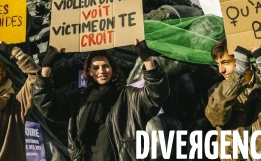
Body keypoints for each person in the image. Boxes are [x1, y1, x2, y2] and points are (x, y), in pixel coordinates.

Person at [32, 40, 169, 161]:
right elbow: (45, 101)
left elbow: (156, 93)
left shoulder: (129, 97)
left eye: (105, 66)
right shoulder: (77, 100)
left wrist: (147, 58)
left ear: (113, 69)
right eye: (96, 68)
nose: (101, 71)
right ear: (89, 72)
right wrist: (47, 66)